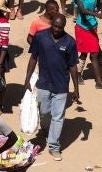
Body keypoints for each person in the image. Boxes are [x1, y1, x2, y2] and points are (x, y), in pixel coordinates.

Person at [24, 14, 80, 162]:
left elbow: (73, 66)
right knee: (44, 111)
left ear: (64, 27)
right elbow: (33, 58)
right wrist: (27, 79)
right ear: (51, 24)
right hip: (43, 83)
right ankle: (46, 128)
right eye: (54, 26)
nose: (56, 29)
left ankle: (54, 146)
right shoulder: (40, 36)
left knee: (58, 116)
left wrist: (76, 88)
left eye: (60, 27)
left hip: (61, 85)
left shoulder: (70, 42)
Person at [72, 0, 102, 89]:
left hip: (92, 27)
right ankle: (96, 80)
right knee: (90, 53)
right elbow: (82, 10)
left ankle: (82, 75)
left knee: (91, 52)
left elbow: (93, 7)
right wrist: (96, 14)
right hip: (82, 28)